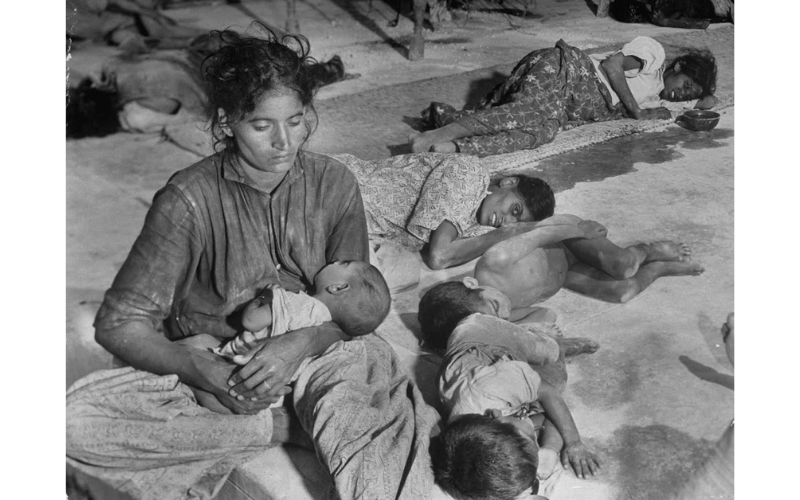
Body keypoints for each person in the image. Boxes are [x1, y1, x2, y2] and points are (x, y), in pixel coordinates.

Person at [65, 27, 438, 500]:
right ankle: (280, 427)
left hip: (322, 350)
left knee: (371, 412)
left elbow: (353, 307)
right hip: (223, 361)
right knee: (76, 425)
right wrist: (202, 371)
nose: (285, 142)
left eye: (297, 121)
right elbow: (120, 325)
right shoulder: (188, 199)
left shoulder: (334, 182)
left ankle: (300, 425)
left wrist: (301, 342)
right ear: (227, 122)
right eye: (262, 126)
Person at [420, 279, 601, 500]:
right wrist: (548, 450)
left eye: (528, 433)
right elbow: (486, 474)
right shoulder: (465, 444)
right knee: (549, 415)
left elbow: (549, 394)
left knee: (555, 373)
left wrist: (574, 443)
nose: (532, 430)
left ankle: (555, 342)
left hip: (484, 333)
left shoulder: (500, 384)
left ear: (497, 416)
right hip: (475, 365)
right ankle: (548, 450)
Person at [409, 36, 718, 156]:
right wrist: (637, 112)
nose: (681, 95)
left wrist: (699, 94)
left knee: (542, 132)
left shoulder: (661, 98)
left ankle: (453, 147)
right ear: (679, 66)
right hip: (564, 70)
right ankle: (442, 131)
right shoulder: (654, 56)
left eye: (686, 94)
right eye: (686, 84)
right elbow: (611, 66)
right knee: (529, 112)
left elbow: (708, 103)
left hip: (562, 104)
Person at [65, 29, 348, 138]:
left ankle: (323, 71)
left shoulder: (123, 91)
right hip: (207, 74)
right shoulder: (129, 99)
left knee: (267, 72)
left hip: (197, 63)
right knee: (275, 82)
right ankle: (327, 71)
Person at [334, 152, 556, 270]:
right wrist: (506, 233)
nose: (506, 221)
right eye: (514, 209)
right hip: (338, 186)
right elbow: (439, 257)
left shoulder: (481, 229)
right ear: (508, 182)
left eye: (514, 222)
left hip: (346, 224)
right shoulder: (469, 173)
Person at [473, 214, 705, 308]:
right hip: (565, 270)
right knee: (622, 293)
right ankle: (659, 269)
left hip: (564, 236)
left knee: (623, 267)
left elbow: (540, 234)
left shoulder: (493, 262)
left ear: (470, 285)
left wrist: (578, 229)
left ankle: (648, 250)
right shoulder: (493, 314)